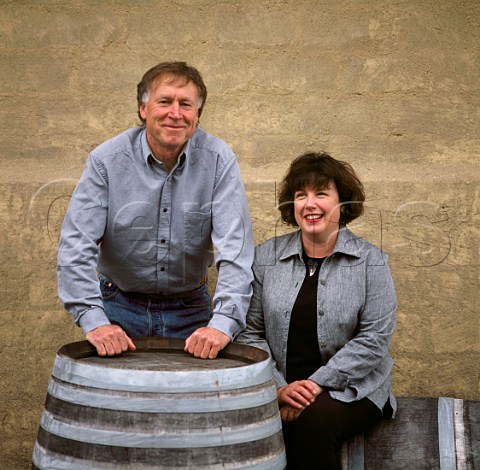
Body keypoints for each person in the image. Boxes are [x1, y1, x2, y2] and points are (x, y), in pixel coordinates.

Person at [57, 61, 254, 359]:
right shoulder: (106, 161)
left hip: (192, 312)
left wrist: (223, 324)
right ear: (143, 109)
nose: (175, 113)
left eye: (186, 104)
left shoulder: (218, 161)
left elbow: (235, 250)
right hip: (118, 308)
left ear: (197, 115)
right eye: (164, 102)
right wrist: (94, 322)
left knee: (194, 403)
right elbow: (76, 246)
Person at [236, 151, 396, 469]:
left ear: (342, 203)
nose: (310, 204)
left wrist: (315, 385)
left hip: (352, 388)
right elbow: (249, 332)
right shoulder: (266, 258)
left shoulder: (371, 262)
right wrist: (278, 387)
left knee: (312, 424)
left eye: (321, 193)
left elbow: (374, 341)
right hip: (282, 383)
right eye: (300, 195)